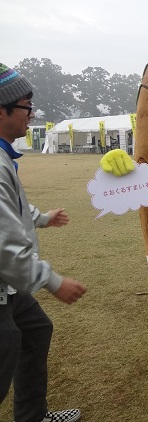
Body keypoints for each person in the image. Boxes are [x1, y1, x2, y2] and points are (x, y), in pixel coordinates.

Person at [0, 64, 87, 422]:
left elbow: (13, 205)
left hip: (9, 286)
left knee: (36, 329)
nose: (31, 115)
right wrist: (52, 281)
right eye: (25, 106)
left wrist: (42, 218)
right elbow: (3, 244)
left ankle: (32, 416)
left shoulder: (4, 155)